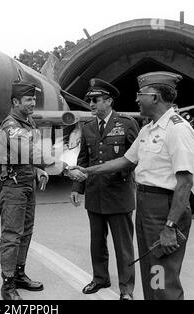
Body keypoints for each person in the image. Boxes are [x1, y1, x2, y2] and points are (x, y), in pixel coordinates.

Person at [78, 71, 194, 300]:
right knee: (152, 268)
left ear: (155, 97)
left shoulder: (177, 129)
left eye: (139, 94)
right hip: (146, 206)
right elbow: (126, 160)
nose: (136, 100)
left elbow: (185, 183)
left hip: (164, 209)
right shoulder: (148, 129)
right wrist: (88, 170)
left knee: (163, 272)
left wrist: (170, 226)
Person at [0, 80, 86, 300]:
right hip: (13, 186)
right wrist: (64, 168)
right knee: (11, 235)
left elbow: (32, 156)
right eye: (28, 100)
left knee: (26, 231)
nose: (33, 103)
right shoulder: (11, 126)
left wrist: (39, 170)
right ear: (15, 101)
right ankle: (7, 285)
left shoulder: (28, 123)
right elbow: (30, 152)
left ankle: (19, 274)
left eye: (33, 99)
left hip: (27, 183)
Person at [70, 79, 139, 300]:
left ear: (108, 101)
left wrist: (122, 173)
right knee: (97, 243)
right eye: (89, 100)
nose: (91, 103)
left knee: (123, 246)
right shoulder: (88, 127)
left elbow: (137, 157)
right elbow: (84, 159)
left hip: (119, 194)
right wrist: (77, 187)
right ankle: (100, 278)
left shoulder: (126, 123)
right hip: (95, 194)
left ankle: (126, 289)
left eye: (95, 99)